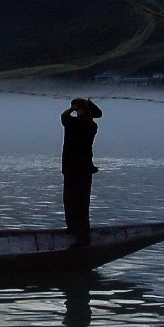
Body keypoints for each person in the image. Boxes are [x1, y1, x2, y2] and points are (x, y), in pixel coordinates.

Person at [61, 98, 102, 239]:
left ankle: (82, 233)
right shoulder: (73, 123)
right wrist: (75, 108)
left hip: (81, 170)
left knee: (81, 202)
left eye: (79, 110)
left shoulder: (90, 126)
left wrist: (82, 107)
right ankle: (73, 229)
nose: (77, 113)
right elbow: (64, 117)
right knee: (70, 201)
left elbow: (65, 117)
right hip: (72, 169)